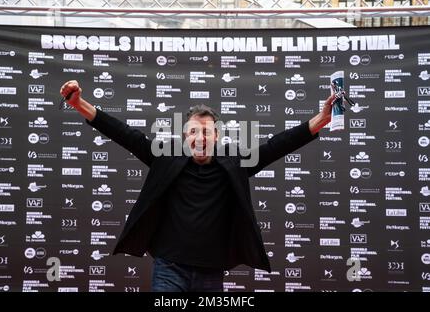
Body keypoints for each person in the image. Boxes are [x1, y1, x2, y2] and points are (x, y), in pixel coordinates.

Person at [60, 80, 333, 292]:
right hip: (169, 267)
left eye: (206, 131)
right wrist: (79, 103)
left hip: (211, 271)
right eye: (193, 131)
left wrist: (320, 120)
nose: (200, 137)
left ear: (216, 135)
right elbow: (125, 134)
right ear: (184, 136)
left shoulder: (235, 163)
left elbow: (276, 146)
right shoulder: (165, 158)